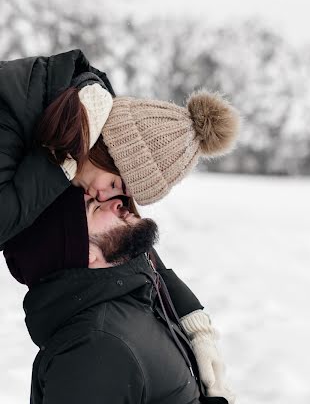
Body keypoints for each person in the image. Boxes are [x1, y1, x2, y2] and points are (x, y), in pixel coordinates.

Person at [0, 49, 240, 401]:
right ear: (104, 149)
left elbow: (119, 237)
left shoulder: (83, 126)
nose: (106, 196)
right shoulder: (16, 111)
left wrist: (191, 318)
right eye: (115, 184)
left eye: (121, 199)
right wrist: (61, 157)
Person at [4, 186, 231, 404]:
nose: (117, 202)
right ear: (86, 254)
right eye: (95, 208)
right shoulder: (96, 348)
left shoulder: (135, 298)